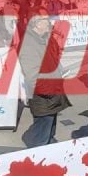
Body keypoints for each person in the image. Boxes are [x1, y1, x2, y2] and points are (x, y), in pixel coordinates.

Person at [19, 9, 69, 147]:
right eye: (45, 20)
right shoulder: (29, 45)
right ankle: (38, 151)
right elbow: (32, 76)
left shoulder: (44, 38)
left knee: (49, 125)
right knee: (42, 129)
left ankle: (49, 143)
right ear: (36, 24)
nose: (49, 22)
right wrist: (49, 92)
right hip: (43, 95)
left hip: (51, 92)